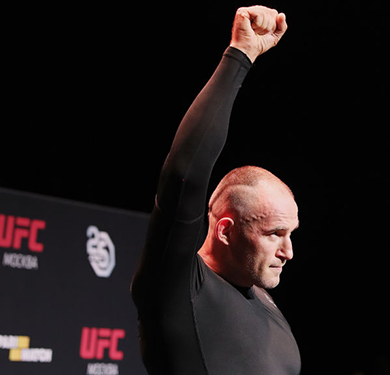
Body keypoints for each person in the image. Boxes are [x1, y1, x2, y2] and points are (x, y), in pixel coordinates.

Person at [130, 6, 300, 375]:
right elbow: (183, 174)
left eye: (290, 234)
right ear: (224, 229)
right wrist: (240, 55)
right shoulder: (177, 289)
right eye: (274, 234)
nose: (289, 251)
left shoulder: (267, 304)